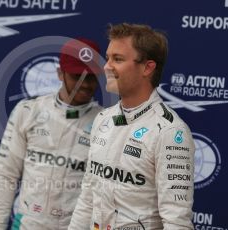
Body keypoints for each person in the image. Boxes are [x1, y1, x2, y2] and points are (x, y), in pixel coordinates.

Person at [69, 23, 195, 230]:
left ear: (147, 67)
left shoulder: (170, 131)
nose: (106, 66)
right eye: (108, 58)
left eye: (117, 59)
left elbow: (176, 222)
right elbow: (87, 199)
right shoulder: (103, 119)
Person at [0, 38, 103, 230]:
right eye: (76, 76)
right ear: (60, 73)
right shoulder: (27, 111)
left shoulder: (105, 122)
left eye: (90, 77)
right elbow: (5, 175)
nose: (84, 84)